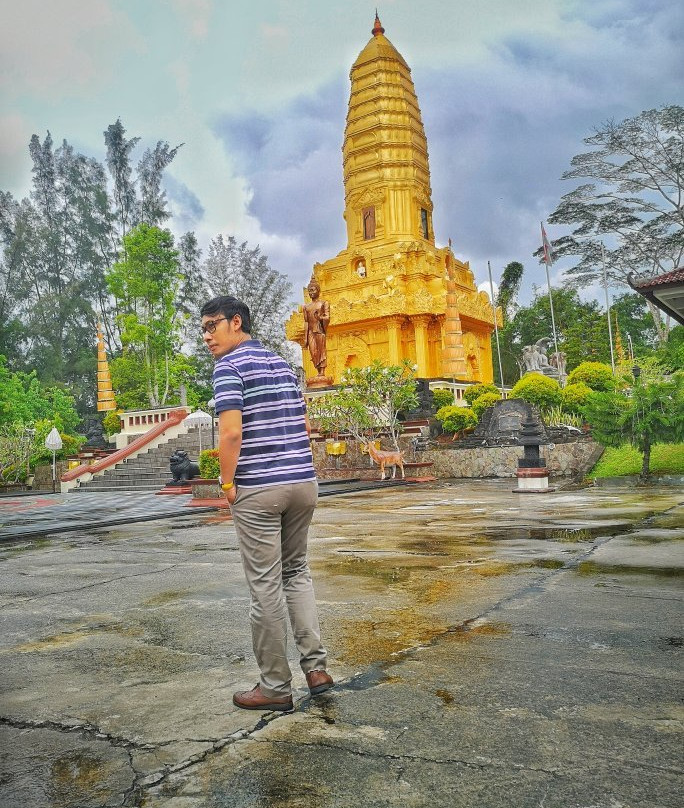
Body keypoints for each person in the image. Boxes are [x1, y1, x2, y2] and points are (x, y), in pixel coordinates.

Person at [201, 295, 333, 711]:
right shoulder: (283, 363)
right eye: (203, 328)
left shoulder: (229, 367)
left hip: (260, 489)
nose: (207, 336)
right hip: (302, 483)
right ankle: (316, 670)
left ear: (235, 322)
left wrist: (226, 484)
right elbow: (303, 423)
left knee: (265, 586)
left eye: (212, 326)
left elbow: (231, 435)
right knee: (296, 573)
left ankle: (275, 686)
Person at [303, 279, 330, 377]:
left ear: (318, 291)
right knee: (313, 352)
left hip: (319, 329)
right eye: (309, 291)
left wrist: (320, 318)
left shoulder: (323, 303)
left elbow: (327, 317)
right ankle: (318, 370)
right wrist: (305, 338)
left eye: (313, 290)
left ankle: (322, 371)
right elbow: (306, 322)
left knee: (321, 350)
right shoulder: (306, 307)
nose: (311, 293)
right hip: (310, 331)